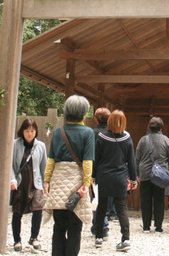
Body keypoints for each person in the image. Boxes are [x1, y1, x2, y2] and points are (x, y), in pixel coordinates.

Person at [43, 94, 95, 256]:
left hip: (58, 182)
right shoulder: (88, 133)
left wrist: (47, 180)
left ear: (67, 111)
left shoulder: (59, 132)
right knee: (75, 227)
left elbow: (51, 159)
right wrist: (86, 184)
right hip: (76, 182)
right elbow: (87, 162)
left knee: (58, 226)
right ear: (84, 113)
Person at [93, 110, 137, 252]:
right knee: (121, 209)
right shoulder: (127, 137)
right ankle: (126, 239)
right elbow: (131, 161)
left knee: (102, 207)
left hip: (104, 176)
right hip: (120, 178)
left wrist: (93, 176)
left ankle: (99, 237)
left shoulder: (101, 137)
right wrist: (133, 178)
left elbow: (96, 159)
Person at [10, 118, 47, 252]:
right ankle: (17, 240)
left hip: (36, 183)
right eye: (27, 131)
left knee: (38, 210)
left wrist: (45, 184)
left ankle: (34, 237)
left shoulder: (41, 146)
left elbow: (44, 167)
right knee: (17, 211)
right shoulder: (15, 144)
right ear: (22, 131)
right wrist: (12, 179)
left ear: (36, 131)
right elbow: (10, 165)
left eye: (32, 130)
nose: (29, 133)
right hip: (20, 183)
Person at [135, 116, 169, 233]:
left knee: (145, 200)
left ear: (149, 127)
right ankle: (158, 226)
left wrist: (136, 174)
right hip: (160, 175)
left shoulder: (143, 140)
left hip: (145, 174)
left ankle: (146, 226)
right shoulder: (166, 140)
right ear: (161, 127)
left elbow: (137, 158)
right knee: (159, 200)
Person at [90, 107, 111, 238]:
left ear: (95, 119)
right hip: (109, 169)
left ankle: (98, 225)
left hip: (94, 168)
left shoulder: (92, 133)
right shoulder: (112, 133)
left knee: (95, 199)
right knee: (106, 199)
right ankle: (103, 224)